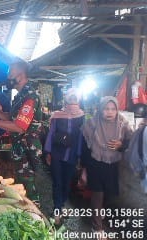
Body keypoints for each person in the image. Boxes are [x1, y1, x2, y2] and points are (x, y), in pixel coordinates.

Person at [81, 96, 132, 238]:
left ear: (117, 110)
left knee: (109, 193)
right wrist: (84, 168)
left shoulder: (122, 123)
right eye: (106, 109)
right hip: (95, 163)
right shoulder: (91, 123)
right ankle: (96, 228)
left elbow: (130, 141)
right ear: (100, 109)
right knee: (97, 195)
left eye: (113, 109)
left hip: (113, 164)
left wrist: (121, 145)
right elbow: (85, 148)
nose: (109, 112)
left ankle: (99, 214)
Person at [0, 61, 43, 174]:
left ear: (20, 76)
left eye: (10, 75)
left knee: (26, 185)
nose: (8, 78)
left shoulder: (30, 97)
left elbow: (19, 127)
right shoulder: (20, 95)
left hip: (27, 151)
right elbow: (10, 118)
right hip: (18, 148)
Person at [44, 88, 85, 225]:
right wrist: (48, 152)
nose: (72, 100)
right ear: (66, 99)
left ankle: (61, 205)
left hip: (72, 155)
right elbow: (51, 134)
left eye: (75, 98)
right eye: (70, 98)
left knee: (67, 183)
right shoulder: (57, 115)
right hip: (57, 154)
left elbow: (80, 137)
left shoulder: (81, 116)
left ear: (78, 100)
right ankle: (57, 209)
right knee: (57, 182)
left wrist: (79, 155)